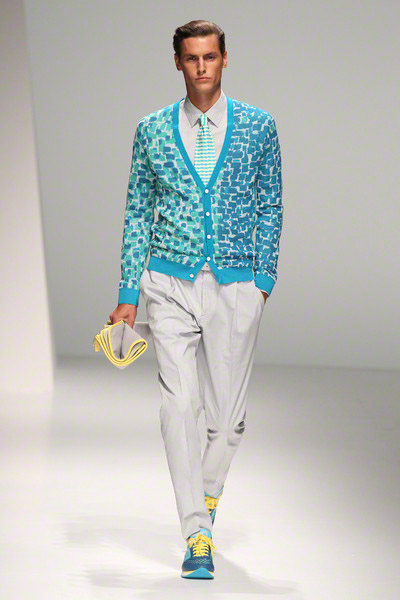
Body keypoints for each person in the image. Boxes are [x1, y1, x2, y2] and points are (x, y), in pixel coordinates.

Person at [109, 19, 284, 579]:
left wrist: (261, 281)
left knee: (228, 424)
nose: (202, 67)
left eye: (210, 57)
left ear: (225, 59)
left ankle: (205, 497)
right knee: (179, 407)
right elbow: (137, 211)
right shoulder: (151, 130)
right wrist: (128, 292)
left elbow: (270, 204)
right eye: (192, 58)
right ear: (178, 62)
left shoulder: (258, 127)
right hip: (168, 282)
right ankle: (196, 534)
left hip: (235, 285)